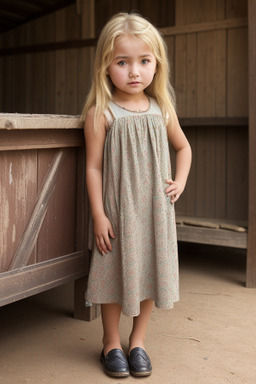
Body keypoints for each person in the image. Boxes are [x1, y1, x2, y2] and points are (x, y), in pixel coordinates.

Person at [81, 12, 192, 378]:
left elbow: (184, 148)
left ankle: (139, 340)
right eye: (122, 62)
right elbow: (93, 167)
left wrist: (180, 180)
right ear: (106, 66)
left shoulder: (162, 109)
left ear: (156, 64)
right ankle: (111, 342)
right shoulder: (102, 112)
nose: (134, 71)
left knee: (149, 272)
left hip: (155, 211)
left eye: (144, 61)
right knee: (113, 274)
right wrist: (99, 214)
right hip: (118, 210)